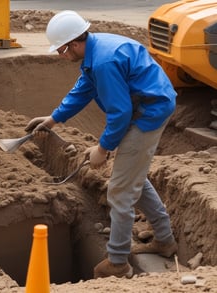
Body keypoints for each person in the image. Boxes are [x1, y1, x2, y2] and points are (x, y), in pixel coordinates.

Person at [25, 10, 178, 279]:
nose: (61, 55)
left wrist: (103, 149)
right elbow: (84, 88)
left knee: (119, 191)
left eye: (61, 50)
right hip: (141, 104)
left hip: (149, 111)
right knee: (132, 177)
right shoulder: (94, 52)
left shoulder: (104, 61)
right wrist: (53, 119)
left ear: (74, 43)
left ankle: (117, 263)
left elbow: (120, 113)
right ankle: (165, 240)